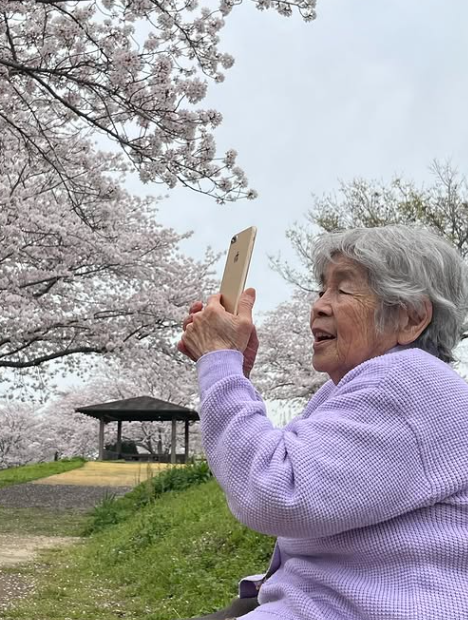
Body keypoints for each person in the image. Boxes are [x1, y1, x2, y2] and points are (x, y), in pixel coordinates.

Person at [178, 225, 468, 620]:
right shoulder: (371, 385)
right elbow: (286, 464)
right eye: (321, 290)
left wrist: (221, 366)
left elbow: (275, 489)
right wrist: (236, 375)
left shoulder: (408, 380)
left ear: (411, 317)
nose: (318, 306)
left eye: (343, 290)